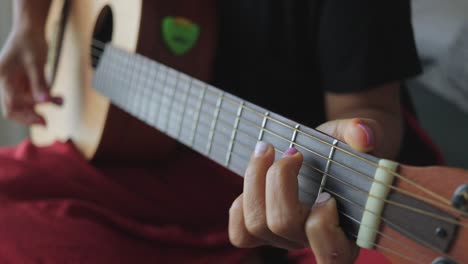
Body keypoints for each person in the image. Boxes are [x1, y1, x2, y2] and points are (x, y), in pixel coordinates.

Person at [0, 0, 440, 263]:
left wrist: (350, 147)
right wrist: (29, 24)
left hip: (284, 173)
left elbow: (366, 112)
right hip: (129, 153)